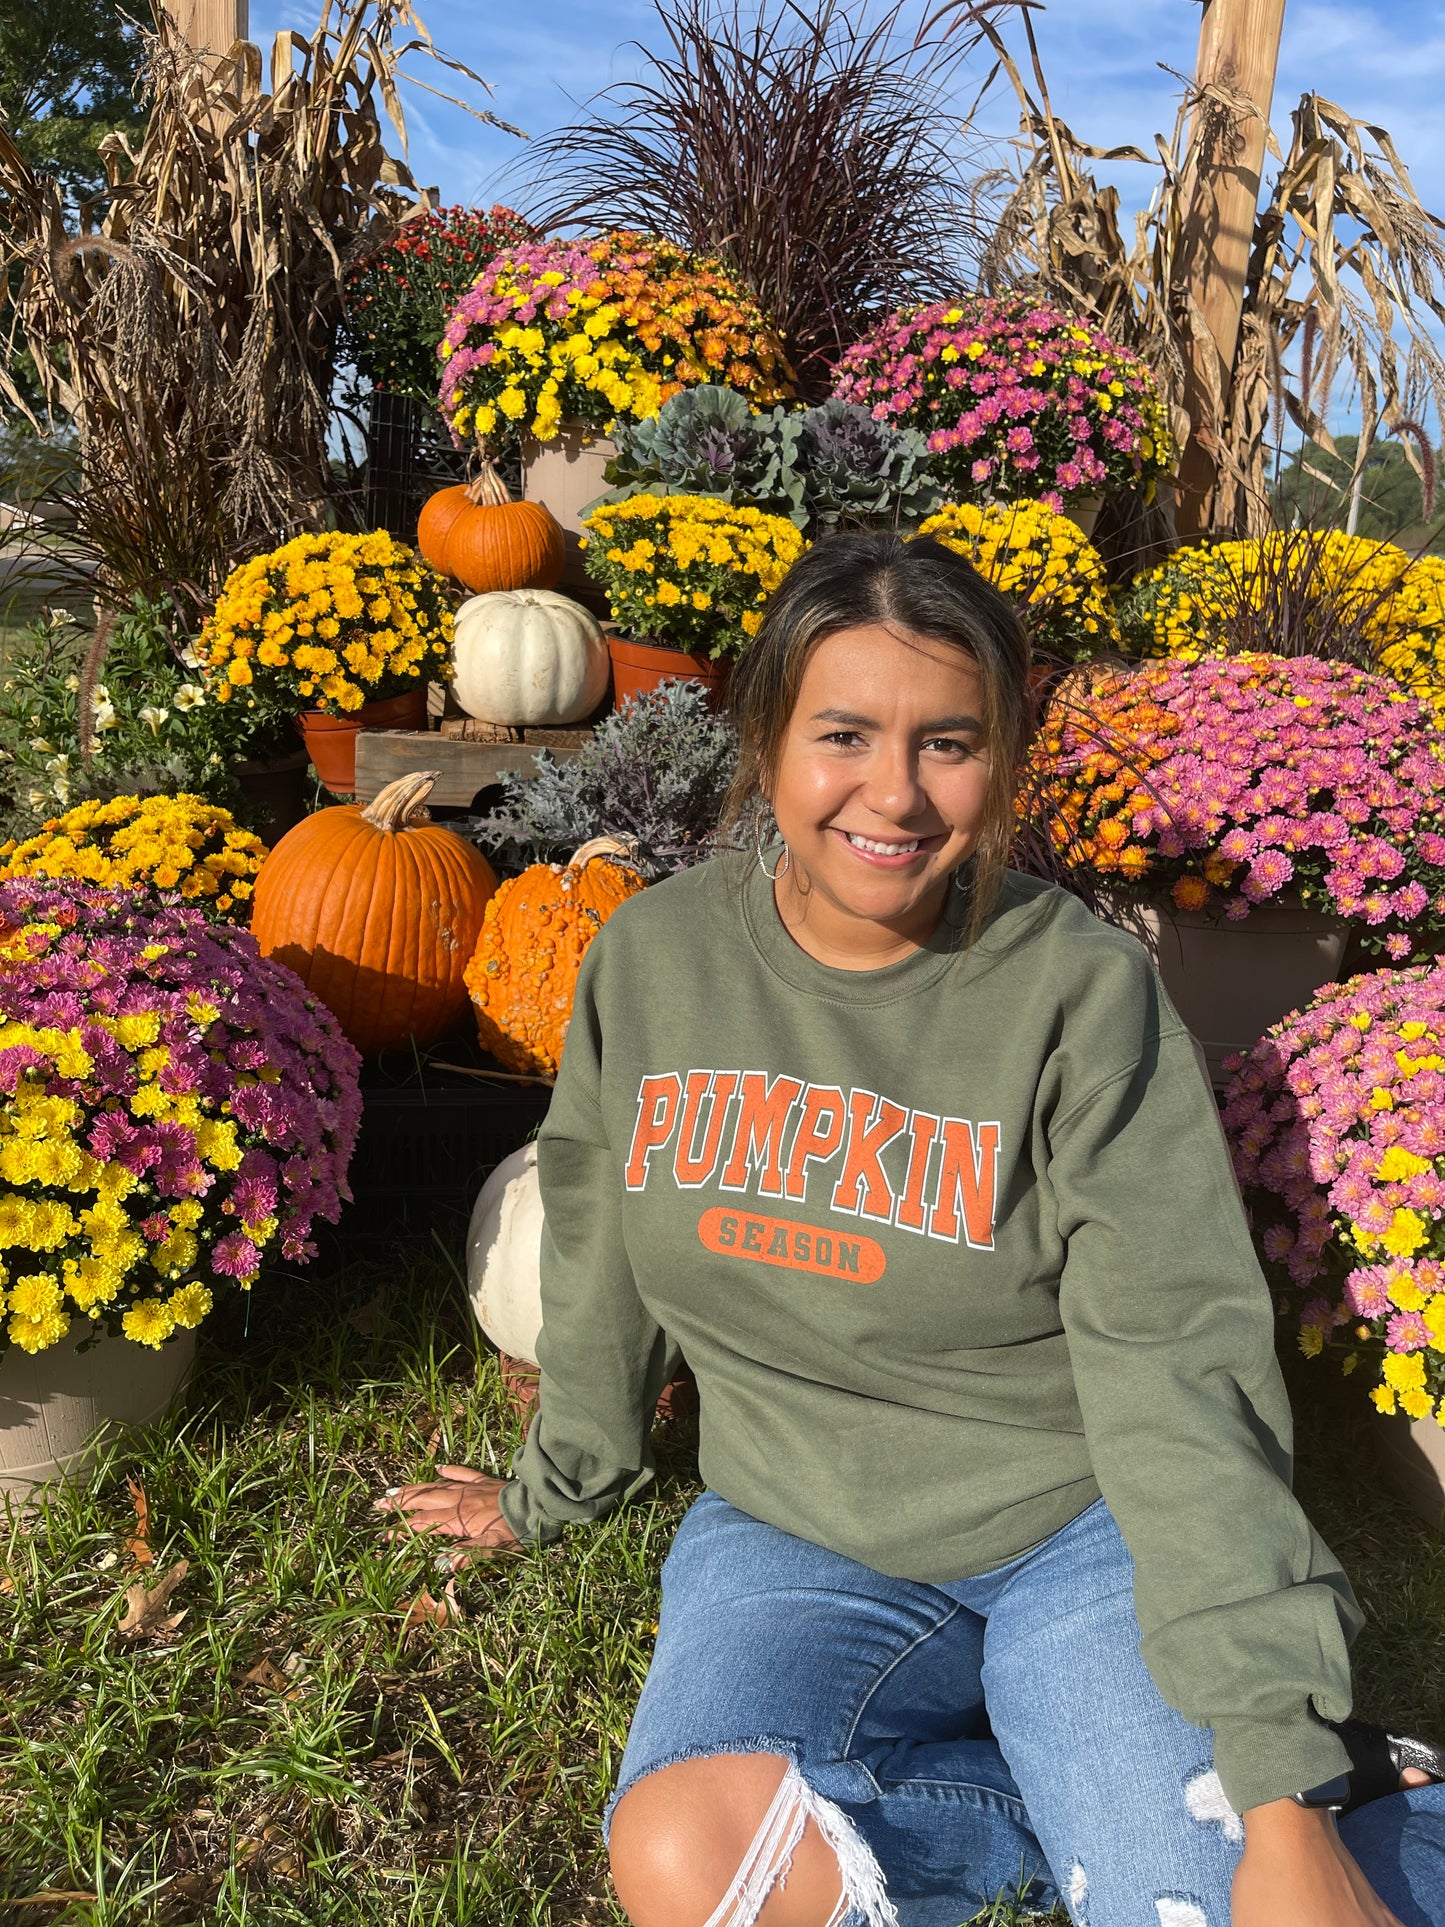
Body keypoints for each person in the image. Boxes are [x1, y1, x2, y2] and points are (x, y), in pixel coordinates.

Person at [379, 533, 1445, 1927]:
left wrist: (1274, 1780)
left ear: (1002, 763)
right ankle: (1082, 1795)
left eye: (947, 742)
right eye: (843, 734)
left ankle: (1297, 1798)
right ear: (764, 740)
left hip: (1080, 1525)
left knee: (1207, 1901)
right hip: (792, 1527)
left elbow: (1178, 1365)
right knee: (690, 1863)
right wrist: (552, 1487)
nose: (892, 792)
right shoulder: (652, 963)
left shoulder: (1074, 995)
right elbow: (596, 1242)